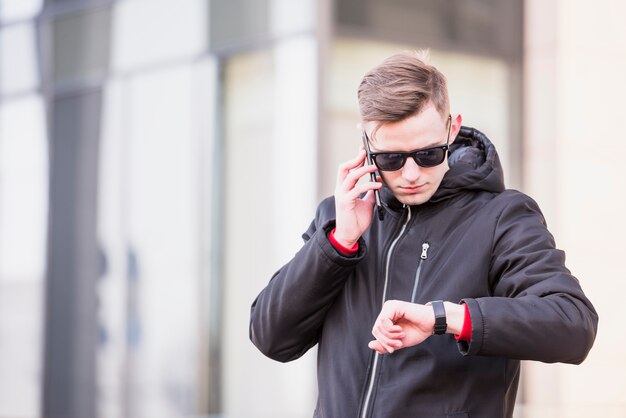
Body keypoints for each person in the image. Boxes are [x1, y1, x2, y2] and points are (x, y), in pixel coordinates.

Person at [249, 51, 598, 418]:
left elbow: (573, 324)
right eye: (391, 159)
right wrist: (339, 242)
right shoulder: (338, 219)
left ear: (453, 127)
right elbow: (271, 338)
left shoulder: (502, 217)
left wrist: (447, 318)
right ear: (366, 144)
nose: (411, 174)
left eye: (428, 154)